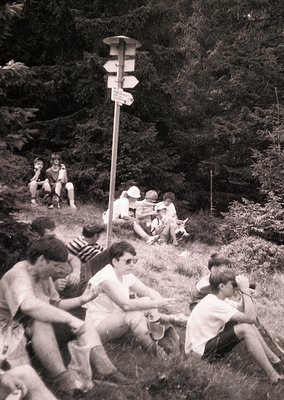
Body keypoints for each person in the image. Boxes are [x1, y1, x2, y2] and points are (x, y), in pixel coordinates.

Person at [0, 237, 126, 398]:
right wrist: (68, 319)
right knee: (40, 321)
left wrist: (81, 300)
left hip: (27, 333)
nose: (57, 271)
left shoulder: (43, 275)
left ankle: (105, 368)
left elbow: (55, 304)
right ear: (41, 260)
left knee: (81, 312)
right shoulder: (19, 274)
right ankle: (64, 380)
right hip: (7, 335)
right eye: (55, 266)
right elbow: (29, 306)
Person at [185, 267, 284, 385]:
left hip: (203, 345)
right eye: (232, 284)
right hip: (199, 354)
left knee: (244, 322)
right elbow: (251, 318)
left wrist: (243, 292)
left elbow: (243, 310)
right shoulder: (214, 304)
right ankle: (273, 375)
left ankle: (275, 361)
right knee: (245, 329)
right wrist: (245, 291)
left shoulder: (217, 300)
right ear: (222, 286)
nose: (234, 286)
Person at [85, 241, 176, 355]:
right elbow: (125, 305)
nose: (132, 264)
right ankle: (156, 353)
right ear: (115, 261)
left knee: (147, 300)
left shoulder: (123, 272)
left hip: (113, 318)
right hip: (96, 325)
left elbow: (147, 291)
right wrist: (157, 304)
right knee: (134, 315)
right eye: (128, 261)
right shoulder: (106, 278)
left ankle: (157, 336)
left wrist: (159, 301)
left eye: (134, 261)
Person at [30, 217, 81, 287]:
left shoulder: (53, 245)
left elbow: (73, 258)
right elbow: (37, 278)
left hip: (73, 278)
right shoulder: (37, 250)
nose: (54, 234)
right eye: (50, 232)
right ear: (36, 234)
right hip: (62, 287)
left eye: (53, 230)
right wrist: (53, 286)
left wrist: (76, 272)